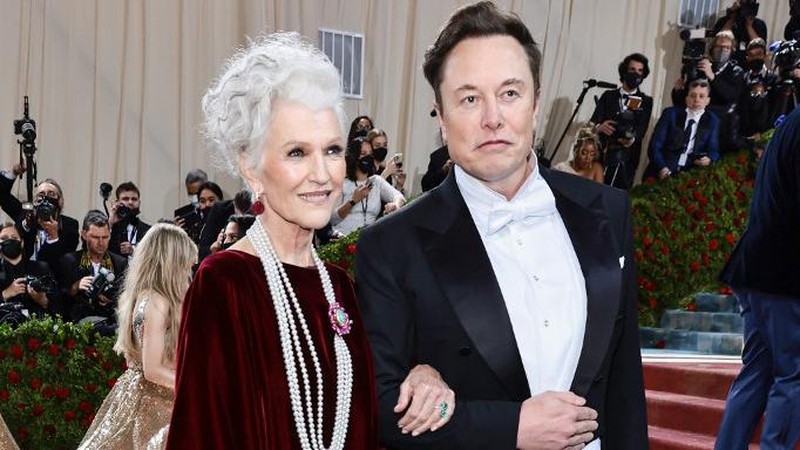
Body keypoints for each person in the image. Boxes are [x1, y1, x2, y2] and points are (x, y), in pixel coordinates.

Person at [355, 2, 647, 449]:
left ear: (535, 100)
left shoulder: (608, 209)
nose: (493, 117)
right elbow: (379, 408)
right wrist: (512, 428)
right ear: (441, 113)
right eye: (470, 98)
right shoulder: (392, 244)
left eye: (510, 93)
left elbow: (624, 382)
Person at [166, 32, 452, 449]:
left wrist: (425, 374)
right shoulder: (224, 283)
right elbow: (199, 436)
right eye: (297, 152)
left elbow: (378, 405)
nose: (322, 173)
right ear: (250, 165)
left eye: (332, 150)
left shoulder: (340, 287)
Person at [715, 107, 800, 449]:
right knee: (794, 375)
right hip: (785, 275)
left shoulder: (790, 123)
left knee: (757, 372)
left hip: (756, 267)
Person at [78, 223, 197, 450]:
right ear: (171, 263)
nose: (189, 274)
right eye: (185, 266)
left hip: (142, 397)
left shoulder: (145, 296)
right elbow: (153, 370)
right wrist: (196, 385)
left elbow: (134, 359)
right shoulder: (156, 302)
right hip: (156, 405)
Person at [590, 53, 654, 189]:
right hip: (603, 153)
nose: (636, 74)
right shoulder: (608, 96)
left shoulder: (646, 101)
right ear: (624, 71)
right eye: (632, 70)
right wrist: (599, 127)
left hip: (627, 158)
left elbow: (641, 129)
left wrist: (632, 138)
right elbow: (592, 123)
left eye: (640, 71)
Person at [57, 210, 127, 330]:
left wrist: (112, 299)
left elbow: (127, 297)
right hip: (77, 326)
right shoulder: (69, 261)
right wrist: (75, 287)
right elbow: (57, 299)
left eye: (105, 237)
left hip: (110, 325)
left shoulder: (120, 263)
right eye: (95, 237)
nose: (101, 243)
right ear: (84, 234)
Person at [0, 168, 79, 267]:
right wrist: (14, 173)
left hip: (52, 278)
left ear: (60, 201)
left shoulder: (69, 225)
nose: (45, 199)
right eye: (41, 195)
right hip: (23, 276)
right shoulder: (25, 215)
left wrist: (53, 237)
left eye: (51, 194)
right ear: (34, 201)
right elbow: (3, 197)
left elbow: (63, 264)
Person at [645, 79, 721, 180]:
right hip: (663, 168)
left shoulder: (712, 120)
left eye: (701, 96)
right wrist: (662, 168)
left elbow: (714, 150)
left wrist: (709, 159)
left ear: (707, 101)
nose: (697, 100)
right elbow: (655, 146)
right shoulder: (670, 114)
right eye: (693, 95)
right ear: (687, 98)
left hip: (690, 173)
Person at [330, 139, 405, 236]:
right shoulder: (342, 184)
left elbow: (400, 197)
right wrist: (353, 201)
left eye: (370, 153)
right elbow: (332, 220)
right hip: (343, 240)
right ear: (354, 157)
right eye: (363, 153)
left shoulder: (376, 181)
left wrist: (395, 205)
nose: (368, 157)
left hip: (369, 240)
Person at [0, 222, 60, 324]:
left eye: (14, 238)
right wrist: (5, 294)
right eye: (4, 239)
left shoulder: (41, 268)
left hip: (36, 330)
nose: (9, 241)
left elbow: (59, 307)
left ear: (22, 242)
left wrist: (43, 301)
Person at [108, 182, 151, 259]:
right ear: (117, 202)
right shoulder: (108, 226)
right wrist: (110, 223)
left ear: (139, 203)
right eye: (125, 199)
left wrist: (133, 251)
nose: (130, 202)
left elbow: (153, 257)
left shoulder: (148, 230)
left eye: (134, 199)